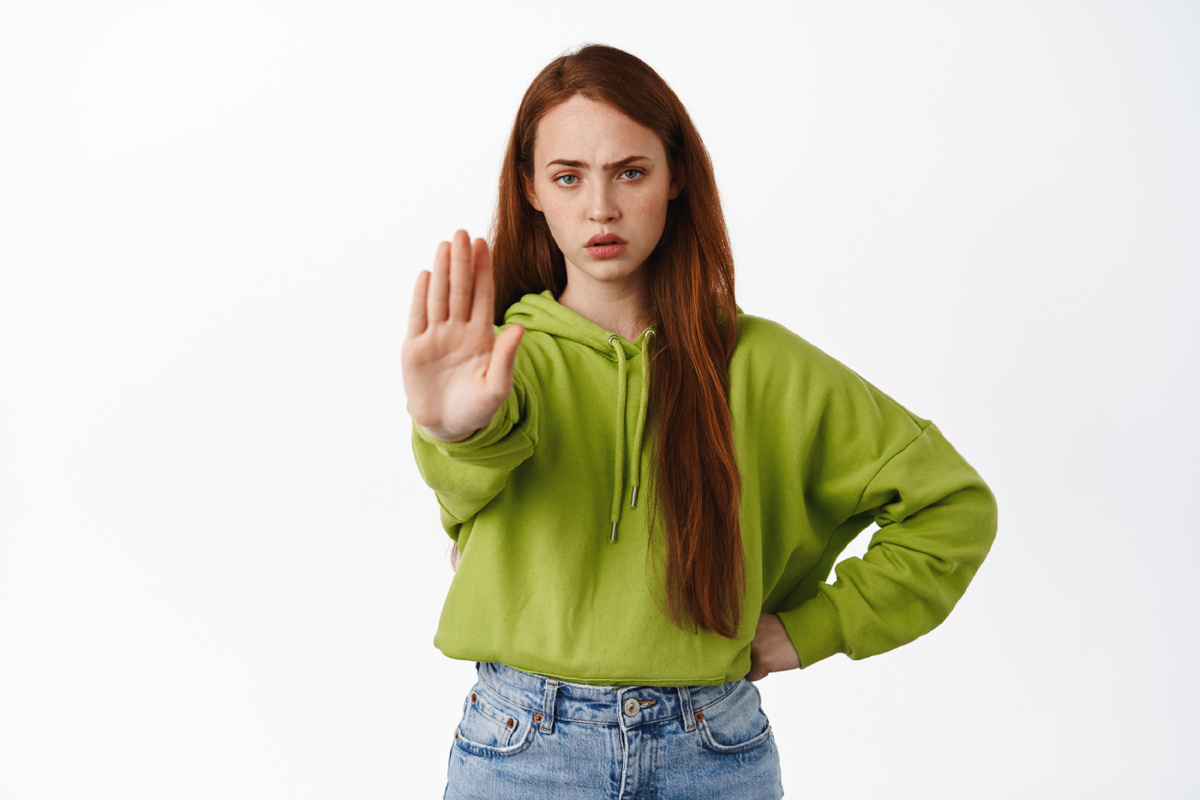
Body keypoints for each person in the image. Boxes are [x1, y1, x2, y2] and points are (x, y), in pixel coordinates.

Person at [403, 44, 997, 800]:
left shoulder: (764, 364)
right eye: (568, 176)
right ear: (531, 190)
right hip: (523, 751)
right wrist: (452, 432)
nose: (600, 208)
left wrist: (815, 627)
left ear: (676, 174)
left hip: (711, 752)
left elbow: (952, 507)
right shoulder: (501, 361)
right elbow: (464, 490)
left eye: (630, 172)